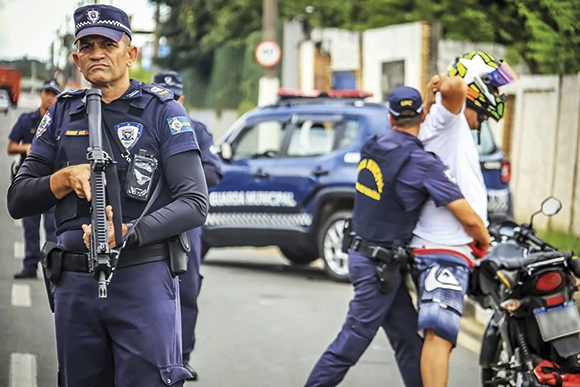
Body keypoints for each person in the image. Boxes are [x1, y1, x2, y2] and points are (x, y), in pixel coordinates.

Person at [7, 4, 208, 386]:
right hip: (76, 287)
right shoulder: (62, 114)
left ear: (130, 54)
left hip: (141, 280)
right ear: (76, 59)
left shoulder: (162, 111)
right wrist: (63, 178)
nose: (97, 52)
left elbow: (194, 202)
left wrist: (129, 232)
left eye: (108, 44)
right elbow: (18, 199)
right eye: (87, 45)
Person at [304, 86, 490, 387]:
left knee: (407, 340)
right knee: (351, 342)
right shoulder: (422, 163)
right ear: (422, 115)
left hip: (365, 256)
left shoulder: (373, 144)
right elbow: (468, 217)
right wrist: (485, 238)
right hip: (378, 267)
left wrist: (427, 101)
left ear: (390, 118)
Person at [410, 51, 517, 387]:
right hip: (442, 247)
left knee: (441, 334)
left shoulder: (447, 123)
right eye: (492, 94)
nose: (486, 115)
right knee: (439, 336)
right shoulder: (446, 119)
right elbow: (455, 84)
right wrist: (445, 84)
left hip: (448, 247)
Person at [153, 70, 223, 381]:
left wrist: (181, 173)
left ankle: (182, 357)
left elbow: (213, 172)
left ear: (182, 99)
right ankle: (151, 355)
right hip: (147, 220)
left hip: (185, 221)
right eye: (161, 93)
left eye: (174, 95)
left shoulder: (195, 130)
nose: (168, 99)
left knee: (188, 290)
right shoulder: (141, 127)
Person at [8, 79, 60, 279]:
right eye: (47, 92)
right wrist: (26, 148)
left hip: (52, 182)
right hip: (30, 182)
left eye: (54, 94)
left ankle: (53, 269)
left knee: (52, 229)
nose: (49, 97)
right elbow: (10, 147)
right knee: (30, 228)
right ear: (41, 94)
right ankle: (30, 266)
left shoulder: (60, 122)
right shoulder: (26, 120)